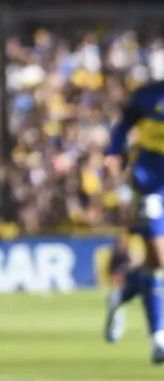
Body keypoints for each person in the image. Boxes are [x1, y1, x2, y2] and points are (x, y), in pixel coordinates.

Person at [104, 80, 164, 361]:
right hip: (150, 183)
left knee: (153, 263)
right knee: (160, 259)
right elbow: (123, 125)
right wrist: (114, 152)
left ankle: (121, 296)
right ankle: (159, 339)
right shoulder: (149, 95)